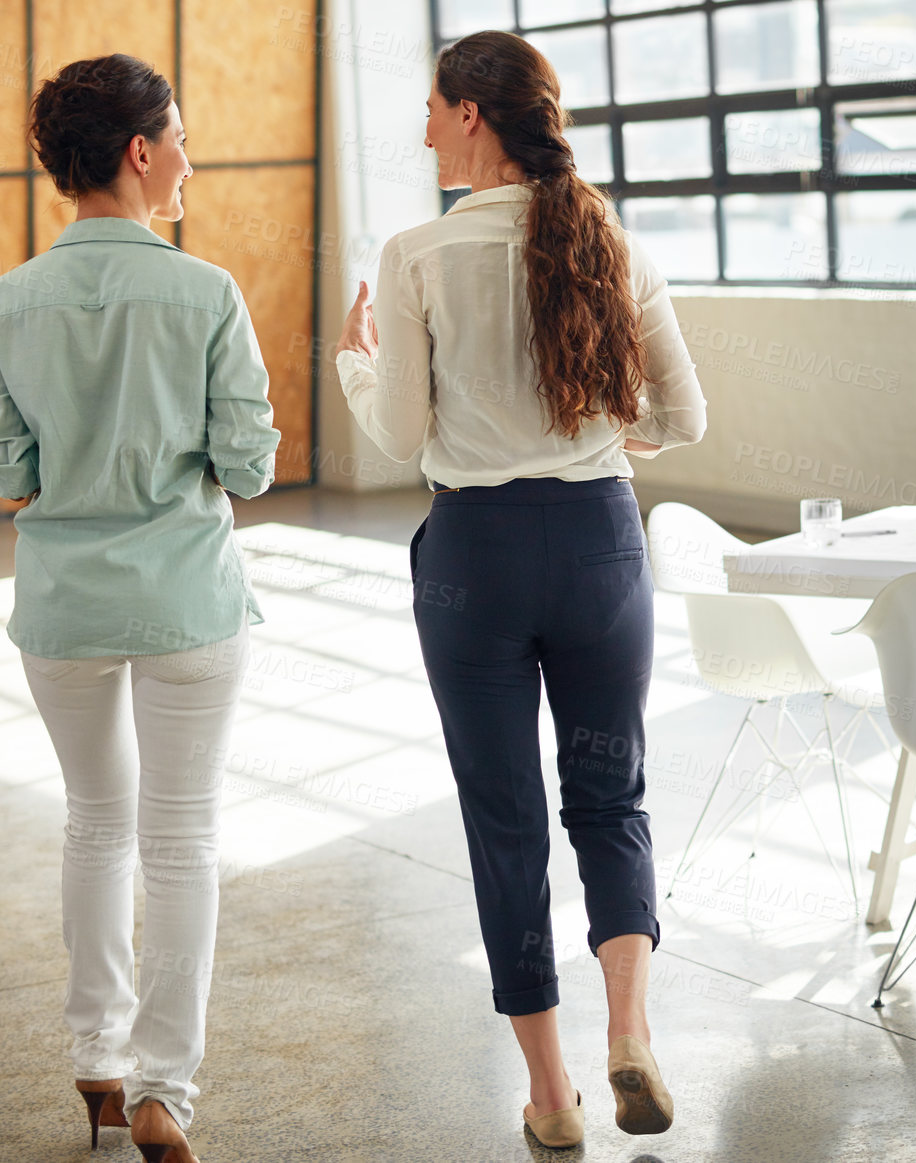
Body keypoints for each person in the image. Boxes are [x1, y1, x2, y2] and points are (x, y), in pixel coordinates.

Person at [334, 29, 707, 1152]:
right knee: (612, 796)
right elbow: (683, 419)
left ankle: (550, 1095)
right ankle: (629, 1028)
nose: (424, 128)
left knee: (505, 822)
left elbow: (400, 431)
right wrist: (603, 433)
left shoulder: (413, 257)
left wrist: (354, 359)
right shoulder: (609, 238)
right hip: (599, 546)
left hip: (475, 559)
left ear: (472, 118)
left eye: (436, 109)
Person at [0, 53, 280, 1163]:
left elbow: (12, 469)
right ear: (141, 152)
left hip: (60, 607)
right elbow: (245, 466)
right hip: (188, 601)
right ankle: (165, 1089)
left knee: (94, 824)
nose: (189, 160)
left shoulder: (6, 300)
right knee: (181, 836)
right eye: (181, 137)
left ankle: (97, 1064)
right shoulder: (205, 292)